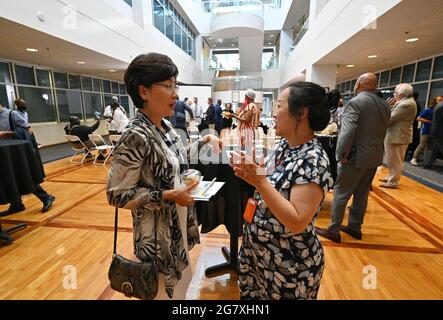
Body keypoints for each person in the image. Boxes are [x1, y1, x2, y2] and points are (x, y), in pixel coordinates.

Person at [107, 53, 221, 300]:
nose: (175, 94)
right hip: (156, 242)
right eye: (168, 86)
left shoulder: (165, 126)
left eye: (175, 85)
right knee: (162, 293)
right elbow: (116, 195)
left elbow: (177, 160)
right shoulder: (135, 136)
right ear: (144, 92)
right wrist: (169, 195)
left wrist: (204, 139)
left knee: (178, 290)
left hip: (176, 230)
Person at [230, 82, 333, 300]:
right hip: (261, 257)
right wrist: (252, 172)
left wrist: (260, 182)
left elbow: (297, 221)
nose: (274, 114)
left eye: (279, 106)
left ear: (301, 113)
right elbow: (273, 185)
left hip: (288, 266)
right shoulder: (286, 146)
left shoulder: (313, 159)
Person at [316, 73, 391, 243]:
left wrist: (341, 154)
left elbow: (347, 132)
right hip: (375, 155)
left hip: (355, 156)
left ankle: (334, 230)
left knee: (341, 193)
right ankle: (355, 227)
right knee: (362, 194)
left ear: (358, 85)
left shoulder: (356, 103)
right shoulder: (384, 104)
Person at [0, 100, 55, 216]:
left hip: (16, 152)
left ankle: (46, 197)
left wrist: (7, 134)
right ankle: (17, 204)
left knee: (24, 176)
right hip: (4, 153)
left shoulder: (12, 114)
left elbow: (28, 129)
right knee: (11, 178)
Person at [380, 83, 417, 189]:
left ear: (401, 94)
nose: (394, 94)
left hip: (398, 136)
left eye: (395, 92)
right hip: (395, 134)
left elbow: (390, 119)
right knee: (391, 158)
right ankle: (390, 177)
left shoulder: (406, 104)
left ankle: (393, 181)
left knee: (395, 160)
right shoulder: (403, 102)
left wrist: (385, 108)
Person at [410, 96, 443, 166]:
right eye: (439, 100)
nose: (441, 101)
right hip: (426, 131)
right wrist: (429, 121)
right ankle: (414, 158)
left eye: (442, 100)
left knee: (428, 147)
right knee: (422, 145)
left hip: (434, 132)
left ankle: (425, 161)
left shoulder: (439, 111)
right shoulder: (428, 110)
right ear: (435, 101)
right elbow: (418, 118)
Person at [423, 101, 443, 168]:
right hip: (440, 131)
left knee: (433, 149)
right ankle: (426, 164)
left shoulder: (439, 104)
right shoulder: (441, 106)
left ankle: (426, 164)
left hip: (435, 130)